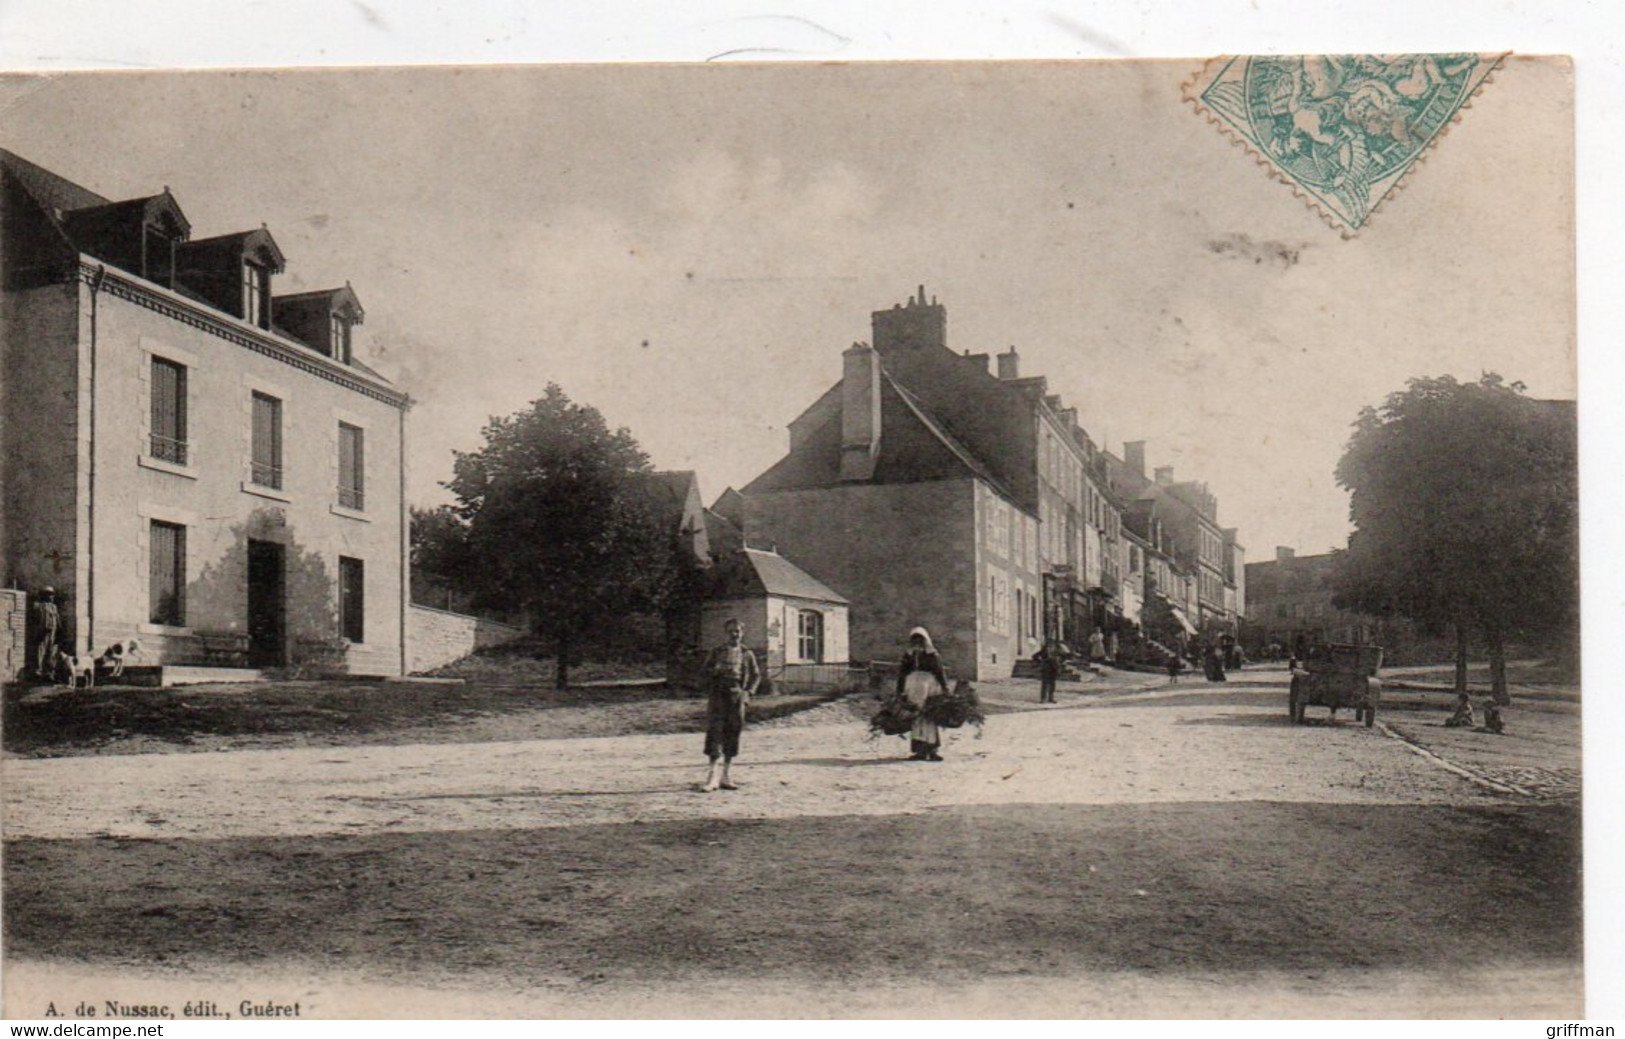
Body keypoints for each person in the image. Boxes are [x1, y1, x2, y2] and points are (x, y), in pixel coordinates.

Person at [700, 619, 759, 792]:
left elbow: (756, 675)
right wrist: (714, 671)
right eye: (731, 631)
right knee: (715, 731)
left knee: (733, 731)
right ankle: (712, 777)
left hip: (737, 695)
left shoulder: (747, 653)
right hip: (718, 695)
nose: (734, 634)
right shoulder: (717, 652)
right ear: (726, 633)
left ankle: (726, 775)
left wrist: (747, 693)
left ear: (742, 633)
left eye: (737, 631)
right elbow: (703, 672)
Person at [898, 627, 950, 761]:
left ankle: (932, 750)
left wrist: (945, 688)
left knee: (929, 716)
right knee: (916, 716)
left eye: (920, 639)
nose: (917, 642)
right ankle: (919, 751)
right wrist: (900, 690)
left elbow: (939, 672)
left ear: (925, 640)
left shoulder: (932, 655)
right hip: (912, 687)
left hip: (929, 686)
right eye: (914, 639)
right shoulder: (908, 655)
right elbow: (902, 673)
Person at [32, 586, 60, 677]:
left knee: (51, 651)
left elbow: (57, 619)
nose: (52, 597)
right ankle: (38, 671)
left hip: (53, 632)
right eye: (49, 595)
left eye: (52, 595)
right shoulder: (38, 605)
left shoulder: (54, 607)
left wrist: (59, 631)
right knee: (40, 651)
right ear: (44, 595)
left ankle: (49, 672)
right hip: (42, 632)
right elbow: (34, 619)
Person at [1034, 639, 1065, 704]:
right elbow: (1035, 656)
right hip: (1046, 669)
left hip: (1054, 669)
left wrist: (1060, 662)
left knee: (1052, 684)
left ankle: (1051, 698)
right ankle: (1043, 699)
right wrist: (1040, 661)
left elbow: (1064, 656)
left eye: (1051, 645)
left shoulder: (1056, 651)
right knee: (1045, 684)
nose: (1050, 647)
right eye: (1048, 645)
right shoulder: (1043, 651)